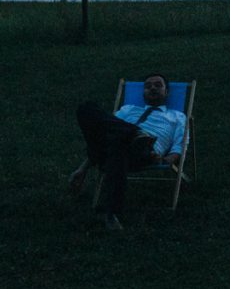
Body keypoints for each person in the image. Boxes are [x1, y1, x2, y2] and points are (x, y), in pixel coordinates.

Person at [68, 74, 188, 231]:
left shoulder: (177, 116)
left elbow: (180, 144)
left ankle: (136, 136)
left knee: (119, 142)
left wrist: (167, 160)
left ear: (167, 92)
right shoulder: (128, 109)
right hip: (119, 144)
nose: (152, 87)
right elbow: (107, 130)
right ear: (143, 92)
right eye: (148, 86)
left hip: (146, 152)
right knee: (86, 108)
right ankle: (134, 134)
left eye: (158, 85)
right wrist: (82, 169)